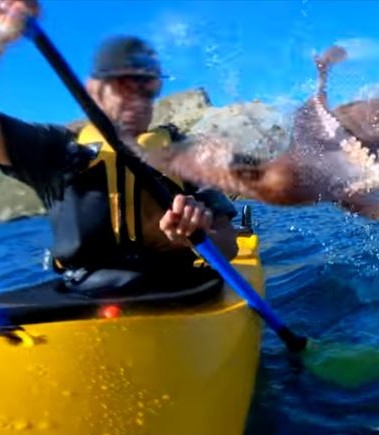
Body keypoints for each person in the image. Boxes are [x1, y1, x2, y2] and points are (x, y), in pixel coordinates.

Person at [0, 0, 239, 297]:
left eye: (147, 85)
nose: (137, 95)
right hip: (83, 296)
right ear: (96, 89)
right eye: (123, 83)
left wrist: (197, 237)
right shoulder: (56, 150)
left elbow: (228, 245)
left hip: (179, 289)